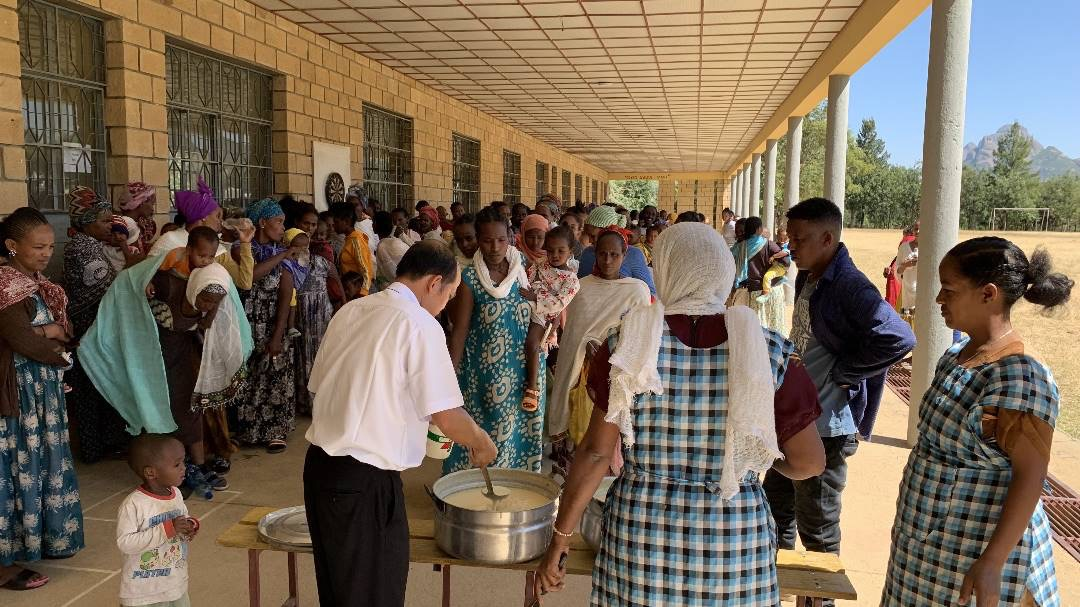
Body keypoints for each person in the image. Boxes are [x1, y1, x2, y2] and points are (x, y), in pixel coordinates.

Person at [535, 223, 825, 605]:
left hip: (643, 540)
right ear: (722, 272)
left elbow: (594, 453)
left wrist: (561, 537)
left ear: (666, 270)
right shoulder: (768, 351)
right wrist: (752, 459)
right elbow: (808, 462)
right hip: (733, 542)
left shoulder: (628, 344)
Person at [304, 240, 497, 607]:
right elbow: (447, 416)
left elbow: (321, 386)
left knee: (339, 590)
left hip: (320, 470)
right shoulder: (419, 324)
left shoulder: (352, 310)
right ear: (434, 282)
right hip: (364, 479)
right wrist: (480, 440)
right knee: (373, 593)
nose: (446, 305)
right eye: (449, 295)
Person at [882, 237, 1071, 607]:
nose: (939, 298)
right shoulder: (956, 355)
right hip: (928, 552)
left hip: (974, 559)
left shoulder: (1021, 378)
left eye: (949, 290)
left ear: (988, 294)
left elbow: (1031, 476)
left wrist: (992, 561)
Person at [762, 198, 915, 598]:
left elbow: (899, 337)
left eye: (800, 239)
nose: (791, 246)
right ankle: (777, 591)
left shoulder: (849, 285)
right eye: (790, 238)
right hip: (796, 422)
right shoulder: (809, 276)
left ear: (827, 239)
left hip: (826, 427)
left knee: (818, 529)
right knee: (776, 510)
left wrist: (846, 372)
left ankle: (820, 600)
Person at [0, 208, 83, 591]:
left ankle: (37, 540)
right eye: (38, 247)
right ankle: (4, 562)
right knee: (15, 468)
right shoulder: (5, 286)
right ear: (12, 246)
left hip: (41, 393)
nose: (47, 253)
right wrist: (56, 343)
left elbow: (66, 329)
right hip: (19, 394)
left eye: (50, 246)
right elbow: (23, 340)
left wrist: (54, 332)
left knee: (38, 463)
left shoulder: (38, 284)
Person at [445, 208, 542, 473]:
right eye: (487, 240)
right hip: (485, 378)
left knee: (520, 439)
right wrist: (449, 378)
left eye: (500, 239)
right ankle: (479, 492)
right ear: (479, 240)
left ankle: (516, 490)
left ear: (510, 236)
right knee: (491, 441)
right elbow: (460, 331)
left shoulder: (525, 270)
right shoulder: (470, 279)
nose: (495, 247)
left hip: (526, 374)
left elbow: (547, 306)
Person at [546, 229, 650, 477]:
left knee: (612, 442)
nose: (607, 260)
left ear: (624, 255)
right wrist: (587, 346)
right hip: (582, 377)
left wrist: (608, 350)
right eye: (602, 254)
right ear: (594, 253)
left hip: (616, 377)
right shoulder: (580, 289)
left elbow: (641, 338)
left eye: (614, 254)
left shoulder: (637, 291)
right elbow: (572, 337)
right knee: (581, 439)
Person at [64, 186, 131, 463]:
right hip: (89, 328)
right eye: (104, 221)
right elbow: (106, 287)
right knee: (94, 387)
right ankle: (98, 447)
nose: (109, 226)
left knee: (92, 387)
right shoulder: (84, 247)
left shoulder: (87, 244)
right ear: (86, 222)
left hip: (92, 327)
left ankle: (99, 446)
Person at [236, 198, 298, 454]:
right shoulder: (242, 249)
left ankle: (275, 431)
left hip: (272, 322)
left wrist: (278, 333)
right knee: (248, 376)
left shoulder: (285, 257)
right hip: (246, 321)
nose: (283, 228)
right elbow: (249, 276)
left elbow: (286, 296)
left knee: (274, 374)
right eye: (278, 222)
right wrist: (281, 255)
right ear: (262, 222)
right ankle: (248, 430)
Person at [117, 434, 199, 607]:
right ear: (151, 472)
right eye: (176, 464)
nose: (184, 468)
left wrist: (189, 525)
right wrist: (167, 529)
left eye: (183, 462)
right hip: (144, 592)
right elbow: (125, 543)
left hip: (174, 583)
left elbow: (183, 516)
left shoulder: (176, 494)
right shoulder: (134, 504)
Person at [149, 178, 255, 291]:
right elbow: (145, 272)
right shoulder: (170, 240)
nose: (221, 221)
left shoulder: (217, 249)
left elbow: (245, 283)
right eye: (218, 216)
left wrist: (245, 243)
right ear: (203, 217)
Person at [520, 226, 580, 413]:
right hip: (525, 303)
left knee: (532, 343)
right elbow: (527, 279)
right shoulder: (541, 263)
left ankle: (532, 388)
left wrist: (534, 297)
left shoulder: (571, 280)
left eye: (561, 251)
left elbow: (558, 303)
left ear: (570, 251)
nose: (554, 255)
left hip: (543, 313)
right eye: (550, 250)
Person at [285, 228, 339, 415]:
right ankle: (306, 402)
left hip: (321, 315)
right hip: (300, 316)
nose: (303, 251)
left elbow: (335, 278)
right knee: (303, 357)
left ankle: (322, 402)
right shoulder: (287, 264)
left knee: (321, 355)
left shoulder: (320, 262)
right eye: (297, 247)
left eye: (305, 247)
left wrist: (342, 302)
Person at [575, 206, 656, 295]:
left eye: (593, 236)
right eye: (588, 235)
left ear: (608, 232)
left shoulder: (633, 254)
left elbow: (650, 292)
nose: (590, 241)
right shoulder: (587, 253)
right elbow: (579, 288)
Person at [730, 216, 790, 335]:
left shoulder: (739, 247)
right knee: (772, 330)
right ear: (758, 229)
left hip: (751, 294)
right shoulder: (768, 244)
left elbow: (730, 262)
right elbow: (786, 262)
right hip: (771, 292)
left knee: (755, 331)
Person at [330, 202, 374, 296]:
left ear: (346, 221)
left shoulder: (356, 240)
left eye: (336, 222)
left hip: (359, 293)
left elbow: (365, 270)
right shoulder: (349, 239)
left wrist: (363, 294)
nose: (333, 226)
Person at [374, 211, 411, 291]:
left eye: (373, 222)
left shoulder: (383, 246)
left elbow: (392, 274)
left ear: (376, 224)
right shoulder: (397, 241)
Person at [118, 181, 158, 255]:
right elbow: (134, 257)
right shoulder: (129, 223)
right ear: (142, 202)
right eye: (152, 204)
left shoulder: (129, 222)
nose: (152, 209)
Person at [897, 220, 920, 320]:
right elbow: (897, 271)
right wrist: (905, 265)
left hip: (922, 293)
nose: (918, 231)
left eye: (920, 229)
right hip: (906, 291)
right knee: (906, 320)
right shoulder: (904, 247)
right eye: (916, 229)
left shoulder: (929, 249)